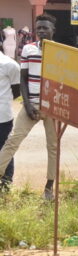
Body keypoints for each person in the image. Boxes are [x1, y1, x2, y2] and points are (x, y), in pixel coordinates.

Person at [0, 14, 59, 200]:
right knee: (12, 141)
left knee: (53, 147)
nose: (41, 31)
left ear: (53, 31)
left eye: (45, 28)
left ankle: (49, 187)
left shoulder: (62, 52)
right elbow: (23, 80)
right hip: (31, 104)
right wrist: (27, 105)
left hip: (53, 107)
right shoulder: (28, 49)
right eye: (39, 28)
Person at [0, 50, 20, 187]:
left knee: (5, 149)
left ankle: (6, 184)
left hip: (3, 117)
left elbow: (16, 91)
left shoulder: (10, 65)